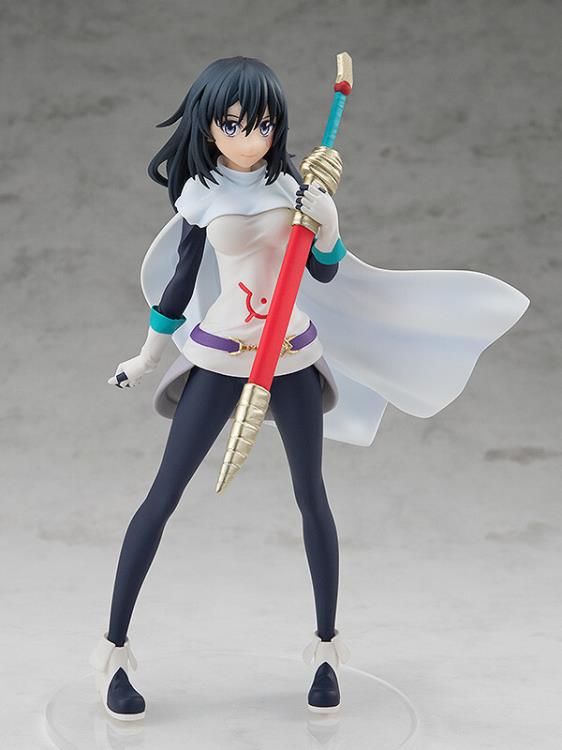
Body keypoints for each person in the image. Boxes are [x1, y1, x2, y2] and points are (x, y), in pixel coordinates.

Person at [89, 56, 529, 722]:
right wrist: (148, 356)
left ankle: (326, 651)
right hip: (221, 353)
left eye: (263, 124)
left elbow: (323, 272)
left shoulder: (293, 185)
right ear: (208, 125)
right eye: (234, 124)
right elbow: (178, 289)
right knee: (163, 496)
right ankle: (114, 653)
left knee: (311, 497)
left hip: (292, 354)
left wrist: (328, 225)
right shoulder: (202, 195)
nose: (250, 137)